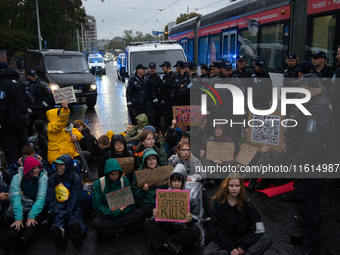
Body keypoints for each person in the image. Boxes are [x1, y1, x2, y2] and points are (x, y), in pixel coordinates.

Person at [287, 74, 332, 255]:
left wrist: (298, 160)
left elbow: (312, 140)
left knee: (309, 201)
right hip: (308, 159)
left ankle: (311, 244)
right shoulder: (316, 101)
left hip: (311, 161)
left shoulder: (318, 108)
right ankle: (307, 234)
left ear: (309, 87)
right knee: (304, 199)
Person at [204, 173, 272, 255]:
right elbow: (215, 228)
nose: (234, 189)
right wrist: (230, 248)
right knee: (208, 252)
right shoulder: (218, 204)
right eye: (231, 186)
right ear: (227, 187)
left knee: (267, 239)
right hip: (225, 240)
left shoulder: (247, 204)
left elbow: (258, 226)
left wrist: (244, 245)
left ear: (241, 187)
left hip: (243, 240)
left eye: (237, 186)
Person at [144, 164, 203, 254]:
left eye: (179, 180)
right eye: (174, 180)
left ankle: (167, 242)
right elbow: (161, 216)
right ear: (170, 181)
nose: (176, 183)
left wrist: (191, 219)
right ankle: (174, 244)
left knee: (195, 231)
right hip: (171, 225)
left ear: (183, 180)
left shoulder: (192, 194)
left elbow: (198, 217)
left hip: (185, 227)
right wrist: (156, 214)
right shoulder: (166, 193)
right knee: (149, 223)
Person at [0, 157, 48, 252]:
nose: (38, 170)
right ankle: (9, 238)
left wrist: (32, 215)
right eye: (35, 168)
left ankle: (23, 239)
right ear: (29, 169)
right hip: (23, 204)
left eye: (39, 167)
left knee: (32, 219)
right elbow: (16, 199)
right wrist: (18, 218)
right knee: (20, 219)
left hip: (38, 206)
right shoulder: (18, 178)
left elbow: (41, 199)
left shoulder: (43, 178)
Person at [92, 158, 145, 237]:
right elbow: (98, 206)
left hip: (123, 214)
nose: (115, 177)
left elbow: (129, 203)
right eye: (112, 174)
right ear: (107, 174)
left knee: (140, 213)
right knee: (96, 223)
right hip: (107, 215)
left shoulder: (124, 181)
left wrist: (122, 211)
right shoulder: (99, 184)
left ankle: (112, 230)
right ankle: (126, 229)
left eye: (117, 173)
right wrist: (116, 211)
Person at [46, 154, 86, 246]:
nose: (58, 167)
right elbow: (50, 196)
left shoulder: (75, 178)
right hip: (59, 204)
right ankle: (60, 235)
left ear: (67, 165)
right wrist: (51, 209)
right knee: (58, 217)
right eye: (57, 165)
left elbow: (75, 197)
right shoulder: (53, 178)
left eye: (61, 165)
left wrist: (67, 211)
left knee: (75, 217)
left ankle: (77, 234)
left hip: (74, 205)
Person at [0, 62, 31, 166]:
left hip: (9, 125)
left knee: (11, 152)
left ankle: (14, 176)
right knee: (23, 151)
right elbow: (28, 100)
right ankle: (26, 173)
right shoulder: (20, 83)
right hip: (22, 123)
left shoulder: (3, 85)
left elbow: (2, 106)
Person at [132, 148, 168, 218]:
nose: (152, 161)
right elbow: (135, 195)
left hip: (161, 201)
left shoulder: (164, 171)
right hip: (147, 202)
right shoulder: (139, 175)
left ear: (157, 160)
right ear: (145, 161)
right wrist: (143, 190)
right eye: (149, 159)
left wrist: (167, 185)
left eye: (154, 159)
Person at [46, 100, 83, 165]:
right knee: (78, 163)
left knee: (87, 155)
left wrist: (76, 136)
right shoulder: (52, 126)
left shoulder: (65, 126)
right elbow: (60, 123)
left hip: (68, 153)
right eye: (60, 115)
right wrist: (65, 110)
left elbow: (76, 131)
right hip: (58, 156)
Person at [25, 68, 53, 136]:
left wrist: (43, 105)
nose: (34, 77)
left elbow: (50, 96)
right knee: (29, 127)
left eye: (35, 75)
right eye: (32, 76)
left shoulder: (42, 84)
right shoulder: (26, 85)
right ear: (28, 76)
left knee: (39, 127)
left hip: (40, 110)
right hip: (30, 109)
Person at [159, 61, 176, 131]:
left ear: (167, 67)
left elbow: (173, 87)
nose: (162, 69)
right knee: (166, 119)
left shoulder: (173, 76)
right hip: (165, 101)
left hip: (172, 101)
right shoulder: (164, 77)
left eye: (163, 67)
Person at [145, 62, 162, 129]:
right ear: (148, 68)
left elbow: (161, 88)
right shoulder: (145, 77)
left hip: (157, 100)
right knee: (150, 118)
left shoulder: (157, 77)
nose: (152, 69)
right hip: (148, 101)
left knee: (158, 117)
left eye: (153, 68)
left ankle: (158, 131)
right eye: (151, 68)